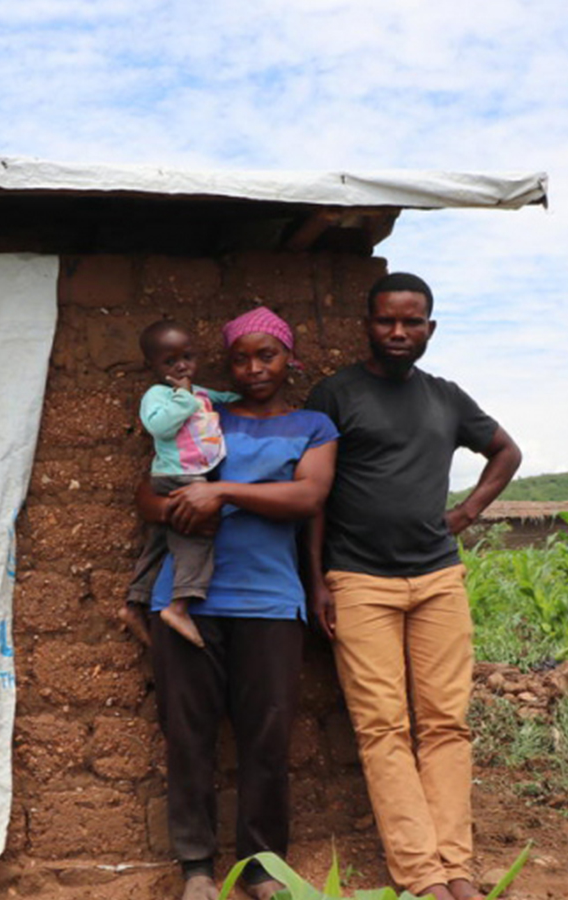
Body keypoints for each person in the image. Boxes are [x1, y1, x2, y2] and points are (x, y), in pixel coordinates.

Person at [306, 273, 522, 900]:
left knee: (446, 725)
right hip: (360, 581)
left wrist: (467, 513)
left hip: (437, 578)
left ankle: (457, 869)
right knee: (383, 729)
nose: (398, 333)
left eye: (412, 322)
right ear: (366, 324)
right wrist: (318, 578)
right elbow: (314, 497)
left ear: (430, 327)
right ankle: (422, 876)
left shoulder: (445, 398)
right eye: (386, 321)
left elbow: (505, 452)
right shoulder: (336, 394)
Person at [137, 307, 337, 900]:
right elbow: (148, 495)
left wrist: (220, 491)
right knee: (188, 734)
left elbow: (308, 495)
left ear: (289, 358)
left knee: (267, 738)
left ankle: (260, 869)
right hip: (184, 599)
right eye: (242, 358)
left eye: (267, 355)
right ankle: (197, 867)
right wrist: (180, 506)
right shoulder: (202, 412)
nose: (254, 368)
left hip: (271, 602)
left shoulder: (313, 426)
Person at [121, 321, 240, 648]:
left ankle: (134, 603)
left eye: (187, 356)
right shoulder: (158, 395)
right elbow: (158, 427)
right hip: (180, 475)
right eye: (170, 361)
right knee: (195, 538)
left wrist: (240, 399)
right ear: (153, 366)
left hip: (188, 472)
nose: (181, 366)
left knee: (159, 543)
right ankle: (179, 606)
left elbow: (226, 400)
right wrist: (184, 398)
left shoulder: (199, 393)